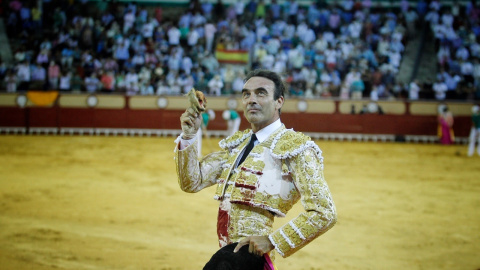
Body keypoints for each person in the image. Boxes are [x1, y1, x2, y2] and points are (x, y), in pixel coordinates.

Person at [175, 69, 337, 266]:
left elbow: (324, 212)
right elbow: (192, 182)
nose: (251, 99)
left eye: (261, 93)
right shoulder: (238, 144)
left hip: (253, 262)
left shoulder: (296, 148)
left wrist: (272, 240)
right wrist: (189, 136)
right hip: (225, 256)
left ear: (279, 101)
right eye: (246, 94)